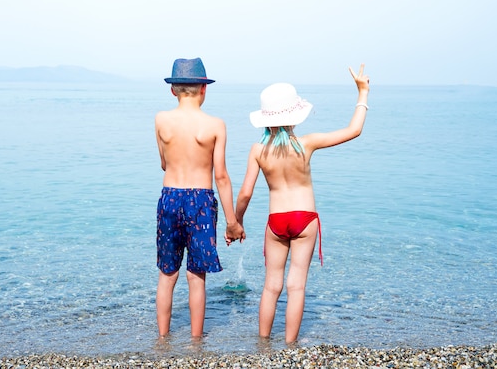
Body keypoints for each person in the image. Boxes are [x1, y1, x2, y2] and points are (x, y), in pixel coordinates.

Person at [235, 64, 370, 344]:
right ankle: (290, 346)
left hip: (276, 221)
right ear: (294, 116)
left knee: (271, 286)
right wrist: (363, 92)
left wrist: (236, 222)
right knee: (296, 286)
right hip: (304, 219)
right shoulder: (306, 144)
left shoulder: (258, 150)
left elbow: (246, 192)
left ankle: (263, 345)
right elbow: (354, 130)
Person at [155, 57, 245, 339]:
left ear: (173, 90)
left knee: (168, 274)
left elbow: (164, 164)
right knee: (197, 276)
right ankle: (196, 342)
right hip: (201, 202)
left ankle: (162, 339)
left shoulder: (161, 120)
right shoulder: (215, 125)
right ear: (204, 89)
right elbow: (221, 178)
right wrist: (233, 222)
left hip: (170, 198)